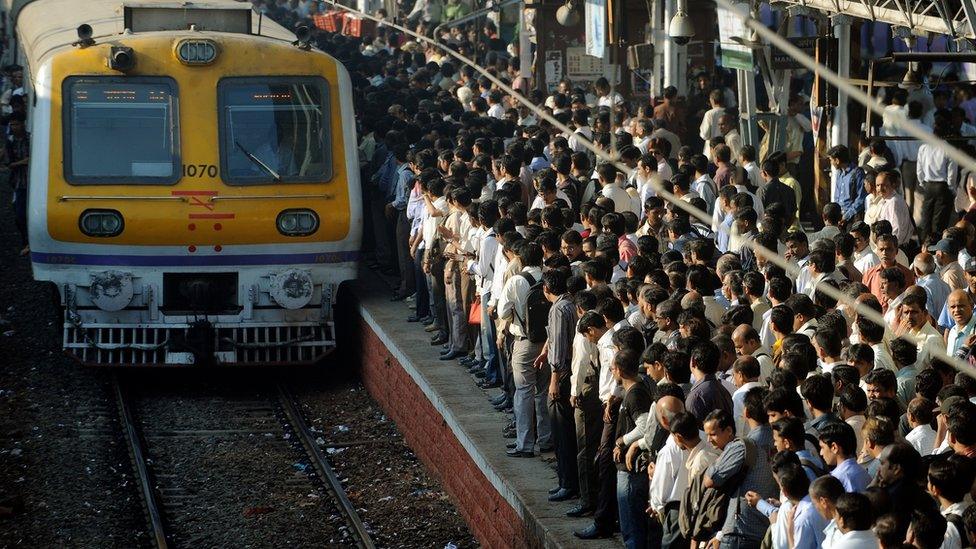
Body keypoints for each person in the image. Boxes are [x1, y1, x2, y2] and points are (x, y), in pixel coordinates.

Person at [703, 409, 778, 549]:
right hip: (760, 530)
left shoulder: (739, 447)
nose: (709, 440)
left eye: (713, 434)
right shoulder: (772, 440)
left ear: (729, 430)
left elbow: (710, 480)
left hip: (740, 532)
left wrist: (719, 460)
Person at [613, 349, 654, 549]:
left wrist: (623, 440)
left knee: (632, 522)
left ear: (619, 370)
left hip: (631, 469)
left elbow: (645, 426)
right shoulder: (633, 390)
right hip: (629, 468)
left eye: (613, 368)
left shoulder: (635, 394)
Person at [819, 422, 871, 492]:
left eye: (822, 447)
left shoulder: (838, 479)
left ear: (834, 447)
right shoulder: (862, 471)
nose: (821, 453)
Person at [827, 145, 867, 225]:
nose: (831, 163)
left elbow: (861, 197)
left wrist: (847, 215)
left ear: (837, 160)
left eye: (831, 160)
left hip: (852, 218)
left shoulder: (857, 173)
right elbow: (837, 196)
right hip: (840, 218)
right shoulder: (839, 173)